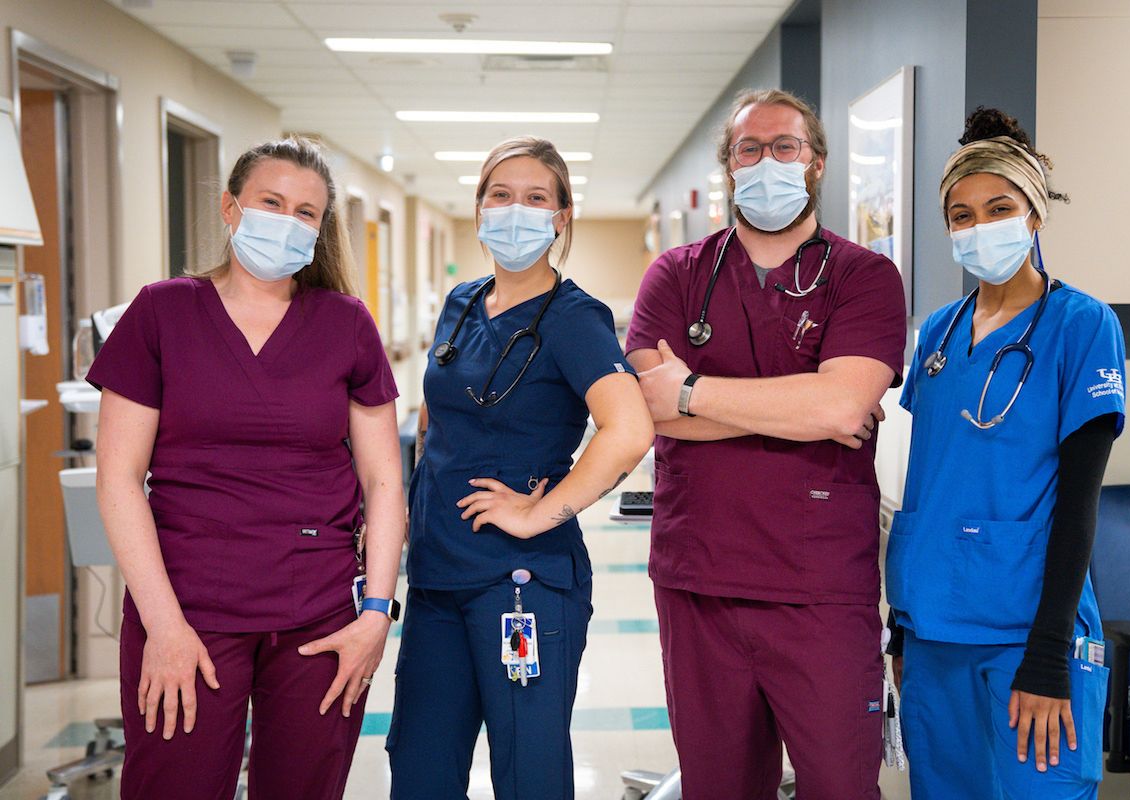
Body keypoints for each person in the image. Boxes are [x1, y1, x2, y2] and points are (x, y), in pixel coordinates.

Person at [89, 137, 405, 799]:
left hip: (321, 617)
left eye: (306, 212)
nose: (287, 221)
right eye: (271, 202)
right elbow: (118, 478)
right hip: (188, 609)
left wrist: (375, 614)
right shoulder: (162, 312)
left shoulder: (345, 323)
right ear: (230, 208)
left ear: (321, 231)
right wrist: (165, 627)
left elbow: (382, 481)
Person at [627, 89, 908, 799]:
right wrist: (802, 407)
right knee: (719, 788)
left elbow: (842, 402)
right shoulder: (674, 275)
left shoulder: (864, 277)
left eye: (785, 146)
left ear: (814, 162)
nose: (767, 161)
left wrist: (693, 391)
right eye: (749, 149)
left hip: (820, 588)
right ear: (728, 164)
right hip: (700, 582)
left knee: (842, 788)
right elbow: (651, 408)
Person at [385, 136, 654, 800]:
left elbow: (629, 431)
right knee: (420, 769)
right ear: (478, 210)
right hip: (436, 578)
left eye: (536, 198)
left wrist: (540, 510)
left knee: (527, 773)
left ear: (561, 217)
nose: (516, 211)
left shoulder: (573, 318)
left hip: (519, 584)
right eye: (500, 196)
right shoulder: (462, 303)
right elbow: (435, 417)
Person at [885, 107, 1126, 800]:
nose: (978, 227)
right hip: (932, 631)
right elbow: (929, 486)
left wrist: (1050, 656)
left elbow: (1080, 506)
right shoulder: (937, 331)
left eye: (998, 208)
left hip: (1027, 635)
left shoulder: (1081, 326)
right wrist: (901, 633)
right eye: (960, 215)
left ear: (1035, 214)